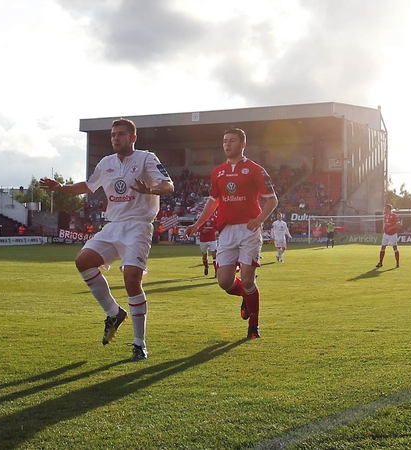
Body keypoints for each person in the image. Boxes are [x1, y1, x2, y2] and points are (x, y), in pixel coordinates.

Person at [39, 118, 174, 361]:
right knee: (83, 260)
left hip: (139, 226)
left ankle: (139, 343)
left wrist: (150, 190)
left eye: (121, 134)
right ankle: (113, 313)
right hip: (113, 226)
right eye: (113, 135)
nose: (115, 138)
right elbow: (88, 186)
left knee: (131, 278)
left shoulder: (146, 158)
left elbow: (168, 185)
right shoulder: (106, 163)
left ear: (133, 138)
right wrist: (60, 187)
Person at [184, 127, 278, 340]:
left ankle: (254, 325)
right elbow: (213, 201)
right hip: (226, 231)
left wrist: (259, 219)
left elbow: (272, 199)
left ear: (243, 144)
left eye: (232, 141)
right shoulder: (218, 171)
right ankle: (247, 296)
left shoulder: (255, 169)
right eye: (225, 141)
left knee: (247, 280)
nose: (227, 144)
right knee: (225, 282)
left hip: (248, 229)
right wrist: (198, 224)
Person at [376, 204, 400, 268]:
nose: (384, 210)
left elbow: (398, 224)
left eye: (385, 208)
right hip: (386, 234)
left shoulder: (395, 216)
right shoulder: (385, 216)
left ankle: (397, 263)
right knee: (383, 247)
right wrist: (383, 228)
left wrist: (391, 228)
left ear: (389, 209)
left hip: (392, 234)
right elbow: (385, 223)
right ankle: (380, 262)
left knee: (395, 248)